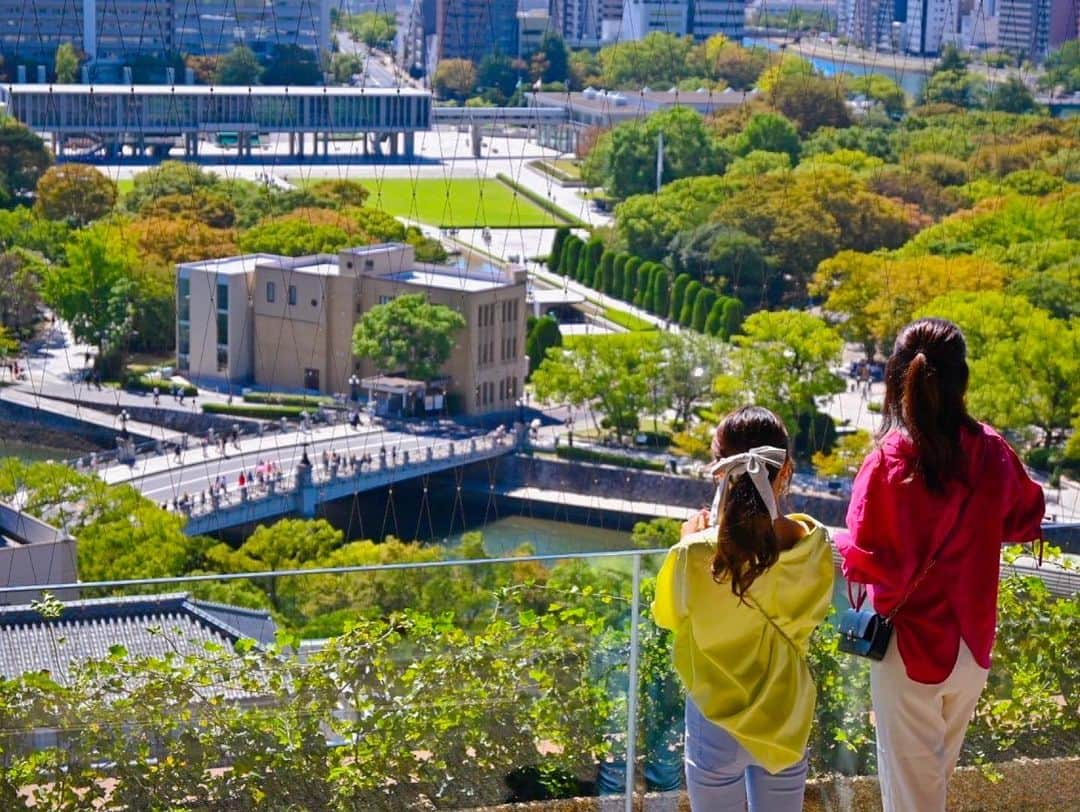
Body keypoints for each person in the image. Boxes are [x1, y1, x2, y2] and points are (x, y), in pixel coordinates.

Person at [836, 318, 1045, 812]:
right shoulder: (990, 450)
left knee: (913, 795)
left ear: (896, 376)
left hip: (908, 649)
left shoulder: (888, 461)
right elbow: (1025, 517)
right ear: (961, 379)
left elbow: (866, 558)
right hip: (971, 645)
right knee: (933, 785)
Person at [653, 406, 834, 811]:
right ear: (785, 469)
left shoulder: (695, 552)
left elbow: (669, 616)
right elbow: (815, 615)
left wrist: (686, 542)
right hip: (784, 716)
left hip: (714, 718)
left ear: (720, 470)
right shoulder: (814, 544)